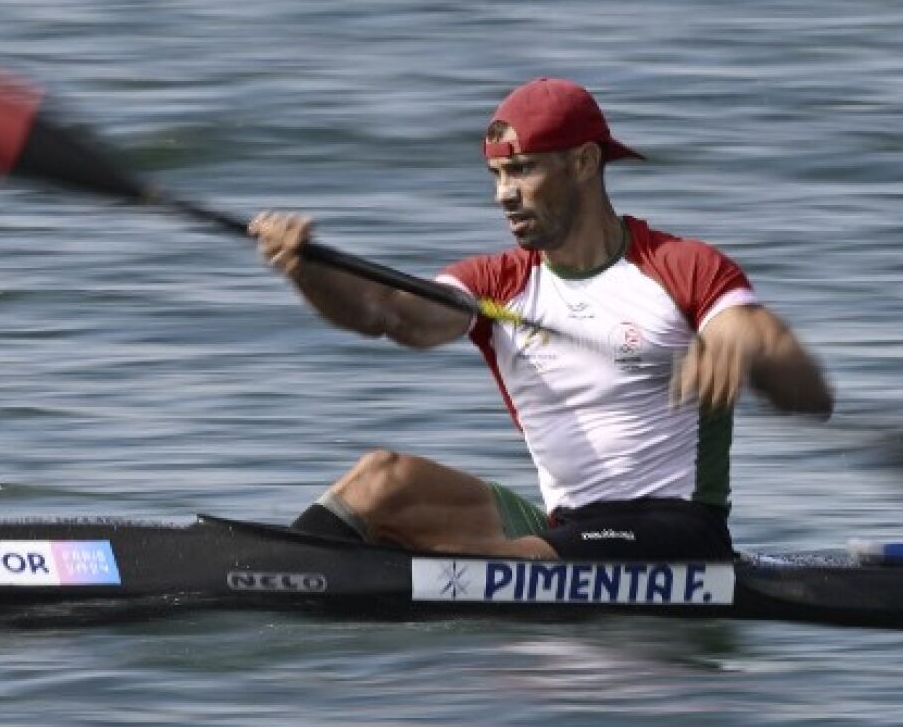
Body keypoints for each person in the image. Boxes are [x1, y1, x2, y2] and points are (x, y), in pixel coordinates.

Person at [249, 76, 833, 561]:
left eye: (523, 170)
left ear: (583, 162)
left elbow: (790, 372)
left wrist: (741, 346)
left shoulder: (680, 267)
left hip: (677, 533)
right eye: (498, 176)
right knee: (383, 477)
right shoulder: (495, 285)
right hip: (566, 528)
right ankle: (273, 572)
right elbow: (388, 314)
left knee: (502, 560)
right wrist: (306, 269)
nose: (505, 194)